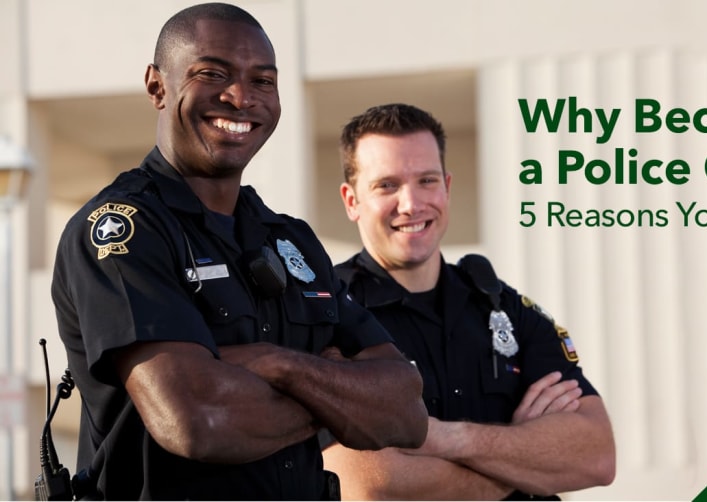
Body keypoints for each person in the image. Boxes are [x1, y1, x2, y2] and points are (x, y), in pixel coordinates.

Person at [50, 4, 427, 500]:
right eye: (212, 73)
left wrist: (279, 364)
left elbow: (404, 412)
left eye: (263, 81)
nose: (240, 97)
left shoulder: (292, 241)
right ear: (157, 86)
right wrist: (342, 395)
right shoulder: (123, 232)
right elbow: (196, 420)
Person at [323, 103, 616, 500]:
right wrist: (525, 455)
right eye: (386, 185)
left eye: (426, 180)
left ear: (446, 186)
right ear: (351, 200)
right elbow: (370, 486)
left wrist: (447, 439)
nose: (410, 204)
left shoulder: (503, 308)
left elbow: (595, 455)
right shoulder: (325, 316)